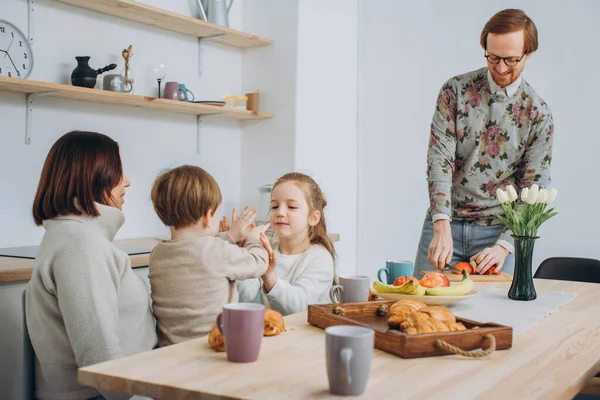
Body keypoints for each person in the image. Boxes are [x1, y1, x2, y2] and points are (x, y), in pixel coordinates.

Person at [414, 9, 553, 277]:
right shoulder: (455, 91)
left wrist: (504, 246)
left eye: (511, 60)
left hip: (498, 237)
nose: (501, 68)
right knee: (421, 308)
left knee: (497, 317)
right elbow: (439, 159)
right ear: (484, 47)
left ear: (529, 54)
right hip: (445, 224)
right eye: (493, 57)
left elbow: (534, 188)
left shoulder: (538, 113)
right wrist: (441, 224)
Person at [26, 131, 157, 400]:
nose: (127, 182)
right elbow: (99, 354)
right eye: (118, 172)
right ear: (94, 177)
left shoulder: (74, 236)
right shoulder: (81, 245)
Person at [148, 165, 271, 347]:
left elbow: (196, 248)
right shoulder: (216, 250)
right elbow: (258, 262)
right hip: (212, 347)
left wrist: (229, 237)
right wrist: (254, 240)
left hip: (169, 349)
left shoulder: (158, 253)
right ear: (207, 216)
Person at [235, 172, 336, 316]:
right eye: (274, 206)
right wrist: (239, 254)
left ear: (313, 217)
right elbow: (244, 295)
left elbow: (299, 307)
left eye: (292, 207)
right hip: (275, 335)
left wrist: (268, 276)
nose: (280, 212)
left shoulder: (320, 258)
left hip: (308, 337)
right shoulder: (266, 252)